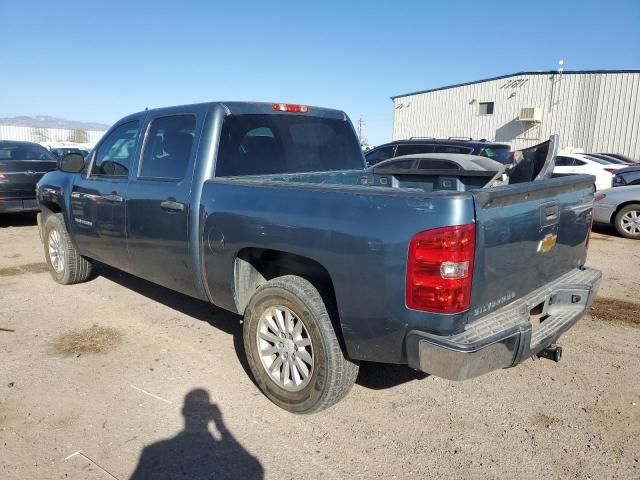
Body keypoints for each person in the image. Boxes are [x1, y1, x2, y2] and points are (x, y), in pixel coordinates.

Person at [130, 389, 263, 480]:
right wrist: (220, 424)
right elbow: (254, 467)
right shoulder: (224, 452)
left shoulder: (152, 451)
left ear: (183, 411)